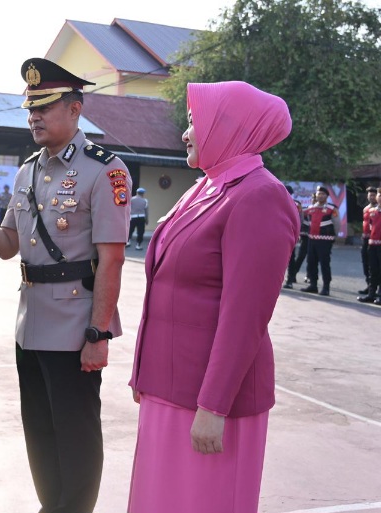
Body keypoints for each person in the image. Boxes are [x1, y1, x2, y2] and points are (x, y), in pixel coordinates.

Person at [0, 57, 130, 513]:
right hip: (30, 323)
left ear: (75, 109)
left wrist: (97, 334)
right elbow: (8, 244)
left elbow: (112, 261)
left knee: (75, 434)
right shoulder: (27, 170)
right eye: (30, 107)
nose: (34, 116)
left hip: (76, 325)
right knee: (38, 431)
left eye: (45, 106)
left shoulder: (105, 170)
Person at [127, 81, 299, 513]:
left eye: (192, 121)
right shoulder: (203, 188)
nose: (185, 133)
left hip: (212, 402)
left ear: (227, 126)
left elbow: (245, 317)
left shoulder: (259, 195)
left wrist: (213, 406)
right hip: (168, 390)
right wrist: (142, 373)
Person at [301, 185, 340, 296]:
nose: (320, 196)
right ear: (316, 195)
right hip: (311, 239)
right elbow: (303, 220)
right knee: (311, 263)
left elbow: (337, 223)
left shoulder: (331, 209)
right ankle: (313, 285)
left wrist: (334, 236)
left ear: (327, 196)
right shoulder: (310, 209)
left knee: (324, 264)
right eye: (319, 194)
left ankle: (326, 287)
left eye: (323, 194)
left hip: (325, 240)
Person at [357, 196, 381, 304]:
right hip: (372, 243)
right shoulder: (372, 211)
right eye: (379, 196)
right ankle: (371, 294)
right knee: (372, 270)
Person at [283, 184, 304, 288]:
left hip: (285, 235)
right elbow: (300, 221)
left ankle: (290, 280)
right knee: (290, 258)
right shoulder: (296, 204)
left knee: (290, 258)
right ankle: (290, 280)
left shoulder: (295, 204)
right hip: (289, 235)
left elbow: (299, 220)